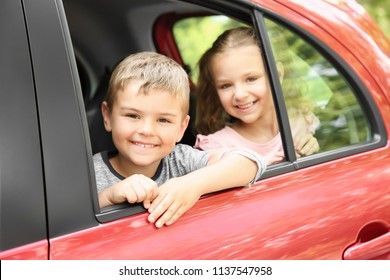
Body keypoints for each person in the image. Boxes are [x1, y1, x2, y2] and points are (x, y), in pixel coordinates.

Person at [93, 52, 266, 228]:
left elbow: (251, 162)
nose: (146, 130)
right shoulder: (90, 174)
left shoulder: (181, 161)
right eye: (132, 115)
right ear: (107, 116)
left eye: (163, 120)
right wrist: (107, 197)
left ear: (181, 128)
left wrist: (192, 184)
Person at [194, 27, 319, 164]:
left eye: (251, 79)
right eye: (226, 85)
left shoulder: (301, 123)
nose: (240, 95)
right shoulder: (216, 148)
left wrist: (312, 146)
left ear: (277, 75)